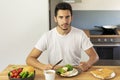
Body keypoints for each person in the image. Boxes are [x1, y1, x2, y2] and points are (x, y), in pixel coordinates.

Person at [26, 2, 99, 71]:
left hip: (75, 72)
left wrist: (88, 64)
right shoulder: (47, 36)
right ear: (55, 18)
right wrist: (43, 66)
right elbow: (29, 59)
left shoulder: (80, 34)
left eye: (67, 17)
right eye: (61, 17)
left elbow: (95, 56)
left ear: (71, 18)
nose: (64, 21)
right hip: (55, 72)